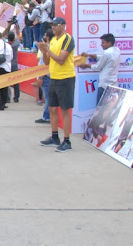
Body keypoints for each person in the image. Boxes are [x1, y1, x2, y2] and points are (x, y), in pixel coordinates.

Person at [37, 17, 75, 153]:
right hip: (53, 77)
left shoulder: (68, 39)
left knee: (64, 110)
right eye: (52, 25)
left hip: (65, 78)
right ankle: (54, 137)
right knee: (53, 109)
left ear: (63, 25)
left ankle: (67, 140)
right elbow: (47, 62)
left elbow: (61, 59)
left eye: (55, 25)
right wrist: (44, 51)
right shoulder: (53, 40)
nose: (53, 27)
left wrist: (47, 50)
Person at [80, 33, 120, 104]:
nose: (101, 45)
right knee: (108, 107)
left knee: (100, 107)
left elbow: (97, 67)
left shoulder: (107, 53)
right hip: (113, 84)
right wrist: (89, 55)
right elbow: (102, 57)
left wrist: (86, 65)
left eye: (103, 43)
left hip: (104, 85)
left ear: (109, 43)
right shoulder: (117, 50)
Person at [34, 29, 54, 124]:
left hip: (46, 76)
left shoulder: (48, 48)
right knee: (47, 97)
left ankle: (46, 116)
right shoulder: (47, 48)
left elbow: (45, 64)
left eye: (45, 35)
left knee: (47, 98)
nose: (44, 37)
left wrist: (41, 77)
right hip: (45, 75)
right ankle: (47, 116)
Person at [7, 31, 20, 103]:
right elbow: (18, 36)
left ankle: (8, 97)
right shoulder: (15, 44)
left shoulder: (6, 45)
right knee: (16, 81)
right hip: (14, 64)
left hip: (8, 64)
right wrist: (17, 28)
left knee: (6, 81)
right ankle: (16, 97)